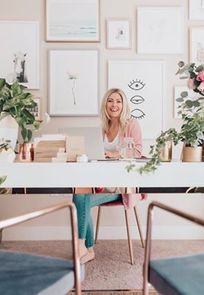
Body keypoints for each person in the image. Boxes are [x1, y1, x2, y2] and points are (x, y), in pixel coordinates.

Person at [73, 88, 145, 264]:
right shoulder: (102, 127)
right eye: (110, 101)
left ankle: (83, 247)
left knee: (82, 198)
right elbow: (95, 153)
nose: (114, 105)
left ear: (124, 104)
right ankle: (86, 249)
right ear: (105, 104)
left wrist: (116, 155)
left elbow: (138, 151)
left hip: (121, 186)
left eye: (118, 101)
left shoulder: (131, 124)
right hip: (99, 182)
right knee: (79, 193)